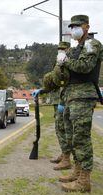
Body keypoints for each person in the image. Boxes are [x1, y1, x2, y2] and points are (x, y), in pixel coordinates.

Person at [57, 15, 103, 192]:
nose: (73, 29)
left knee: (81, 137)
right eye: (71, 26)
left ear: (86, 27)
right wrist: (61, 64)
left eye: (77, 26)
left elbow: (85, 67)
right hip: (71, 96)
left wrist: (66, 61)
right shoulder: (76, 48)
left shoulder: (93, 44)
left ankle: (84, 180)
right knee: (72, 136)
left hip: (84, 96)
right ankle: (77, 171)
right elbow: (64, 75)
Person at [32, 42, 72, 171]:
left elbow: (66, 81)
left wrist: (63, 101)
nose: (60, 51)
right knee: (59, 128)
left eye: (63, 49)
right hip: (57, 100)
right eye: (59, 49)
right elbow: (54, 83)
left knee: (65, 129)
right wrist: (42, 91)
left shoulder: (69, 61)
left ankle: (67, 158)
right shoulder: (59, 61)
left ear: (68, 49)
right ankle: (64, 153)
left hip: (66, 100)